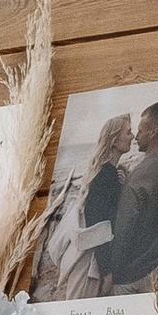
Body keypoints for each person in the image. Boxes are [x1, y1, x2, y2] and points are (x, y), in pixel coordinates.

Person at [37, 113, 132, 299]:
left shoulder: (107, 173)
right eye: (128, 132)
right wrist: (106, 271)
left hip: (88, 257)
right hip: (90, 262)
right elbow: (99, 226)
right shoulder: (107, 176)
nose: (133, 136)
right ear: (113, 140)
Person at [101, 97, 158, 295]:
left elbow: (123, 232)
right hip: (153, 266)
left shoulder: (139, 176)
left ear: (154, 131)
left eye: (141, 130)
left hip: (127, 278)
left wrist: (111, 274)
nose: (136, 136)